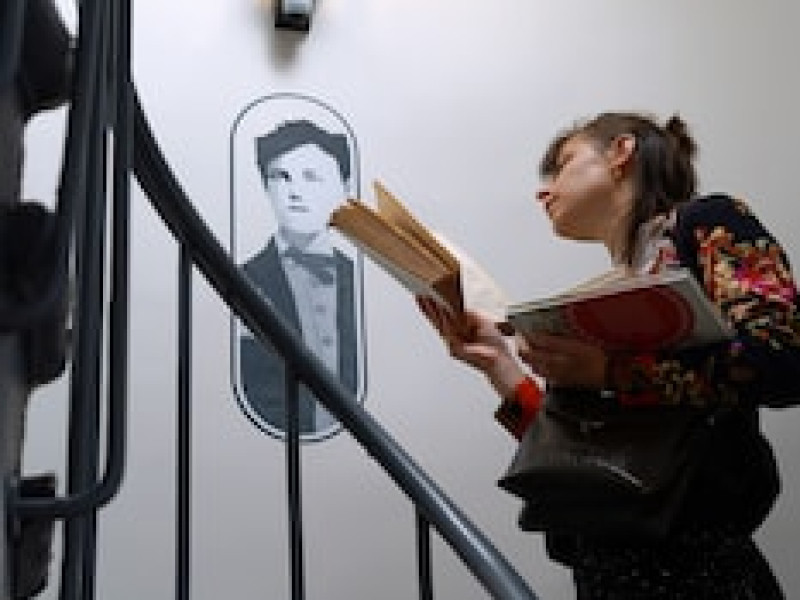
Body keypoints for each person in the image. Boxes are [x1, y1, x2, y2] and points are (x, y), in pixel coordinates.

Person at [418, 111, 800, 599]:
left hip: (701, 573)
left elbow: (783, 356)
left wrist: (612, 372)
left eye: (562, 164)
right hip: (605, 574)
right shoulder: (602, 297)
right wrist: (498, 363)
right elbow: (585, 451)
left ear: (622, 152)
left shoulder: (708, 221)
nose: (543, 192)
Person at [239, 119, 359, 438]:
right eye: (281, 177)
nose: (294, 192)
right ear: (266, 187)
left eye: (312, 177)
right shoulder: (243, 279)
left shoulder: (360, 280)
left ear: (344, 187)